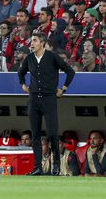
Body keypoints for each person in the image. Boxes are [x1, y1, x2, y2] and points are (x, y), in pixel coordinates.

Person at [18, 33, 76, 176]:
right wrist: (23, 85)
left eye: (35, 40)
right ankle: (37, 167)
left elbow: (70, 71)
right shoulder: (29, 58)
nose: (32, 43)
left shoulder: (52, 56)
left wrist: (64, 88)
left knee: (52, 134)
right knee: (35, 135)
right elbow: (20, 72)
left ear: (42, 43)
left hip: (49, 99)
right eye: (31, 40)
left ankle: (55, 165)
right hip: (33, 100)